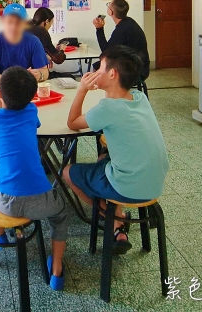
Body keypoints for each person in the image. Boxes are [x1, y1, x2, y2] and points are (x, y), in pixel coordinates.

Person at [63, 47, 168, 253]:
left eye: (100, 67)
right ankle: (117, 223)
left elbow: (72, 122)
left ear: (112, 74)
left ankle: (113, 218)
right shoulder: (140, 98)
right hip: (155, 184)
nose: (96, 71)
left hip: (128, 187)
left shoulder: (107, 108)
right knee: (104, 156)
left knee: (67, 172)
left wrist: (82, 89)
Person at [0, 67, 69, 290]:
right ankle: (57, 270)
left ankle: (0, 234)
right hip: (41, 200)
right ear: (32, 95)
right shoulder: (32, 112)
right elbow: (22, 119)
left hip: (7, 202)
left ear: (0, 91)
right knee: (60, 214)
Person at [0, 3, 49, 85]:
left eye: (18, 22)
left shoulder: (34, 41)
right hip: (2, 90)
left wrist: (39, 75)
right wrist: (18, 80)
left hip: (28, 91)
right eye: (10, 21)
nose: (13, 26)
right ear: (3, 21)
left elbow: (44, 71)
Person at [93, 0, 150, 81]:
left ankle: (101, 91)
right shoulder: (129, 22)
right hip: (138, 65)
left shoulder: (122, 29)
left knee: (101, 67)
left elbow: (106, 52)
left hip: (135, 70)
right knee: (98, 65)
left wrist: (99, 29)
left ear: (110, 12)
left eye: (109, 5)